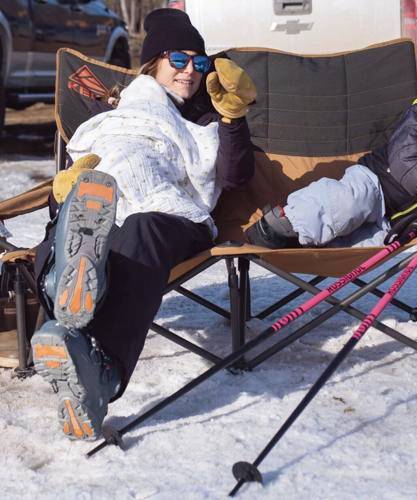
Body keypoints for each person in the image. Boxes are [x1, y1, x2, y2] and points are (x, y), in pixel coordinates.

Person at [30, 8, 256, 441]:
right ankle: (76, 317)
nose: (190, 71)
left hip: (171, 214)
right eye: (179, 60)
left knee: (140, 228)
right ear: (154, 62)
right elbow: (108, 144)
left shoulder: (208, 114)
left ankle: (96, 355)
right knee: (77, 207)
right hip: (108, 203)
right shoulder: (128, 104)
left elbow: (233, 177)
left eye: (200, 62)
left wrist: (233, 118)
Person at [245, 49, 417, 249]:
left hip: (398, 221)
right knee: (346, 202)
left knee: (357, 245)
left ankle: (299, 244)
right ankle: (282, 222)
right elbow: (406, 159)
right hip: (377, 183)